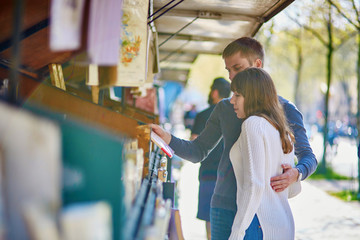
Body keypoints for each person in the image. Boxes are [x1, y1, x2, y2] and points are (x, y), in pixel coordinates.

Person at [151, 37, 317, 240]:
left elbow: (308, 156)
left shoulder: (286, 110)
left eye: (237, 68)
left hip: (259, 212)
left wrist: (296, 173)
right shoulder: (224, 107)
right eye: (228, 70)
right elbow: (198, 151)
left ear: (257, 65)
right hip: (223, 206)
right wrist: (168, 138)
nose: (230, 77)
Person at [229, 67, 300, 239]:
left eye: (237, 95)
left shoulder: (252, 125)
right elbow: (293, 190)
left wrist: (237, 232)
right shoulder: (281, 130)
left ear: (253, 96)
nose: (232, 101)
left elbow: (255, 185)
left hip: (258, 224)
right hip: (282, 224)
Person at [191, 77, 231, 240]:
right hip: (229, 173)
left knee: (210, 217)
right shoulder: (234, 114)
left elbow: (194, 142)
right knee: (227, 216)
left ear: (214, 92)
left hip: (208, 172)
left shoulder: (203, 115)